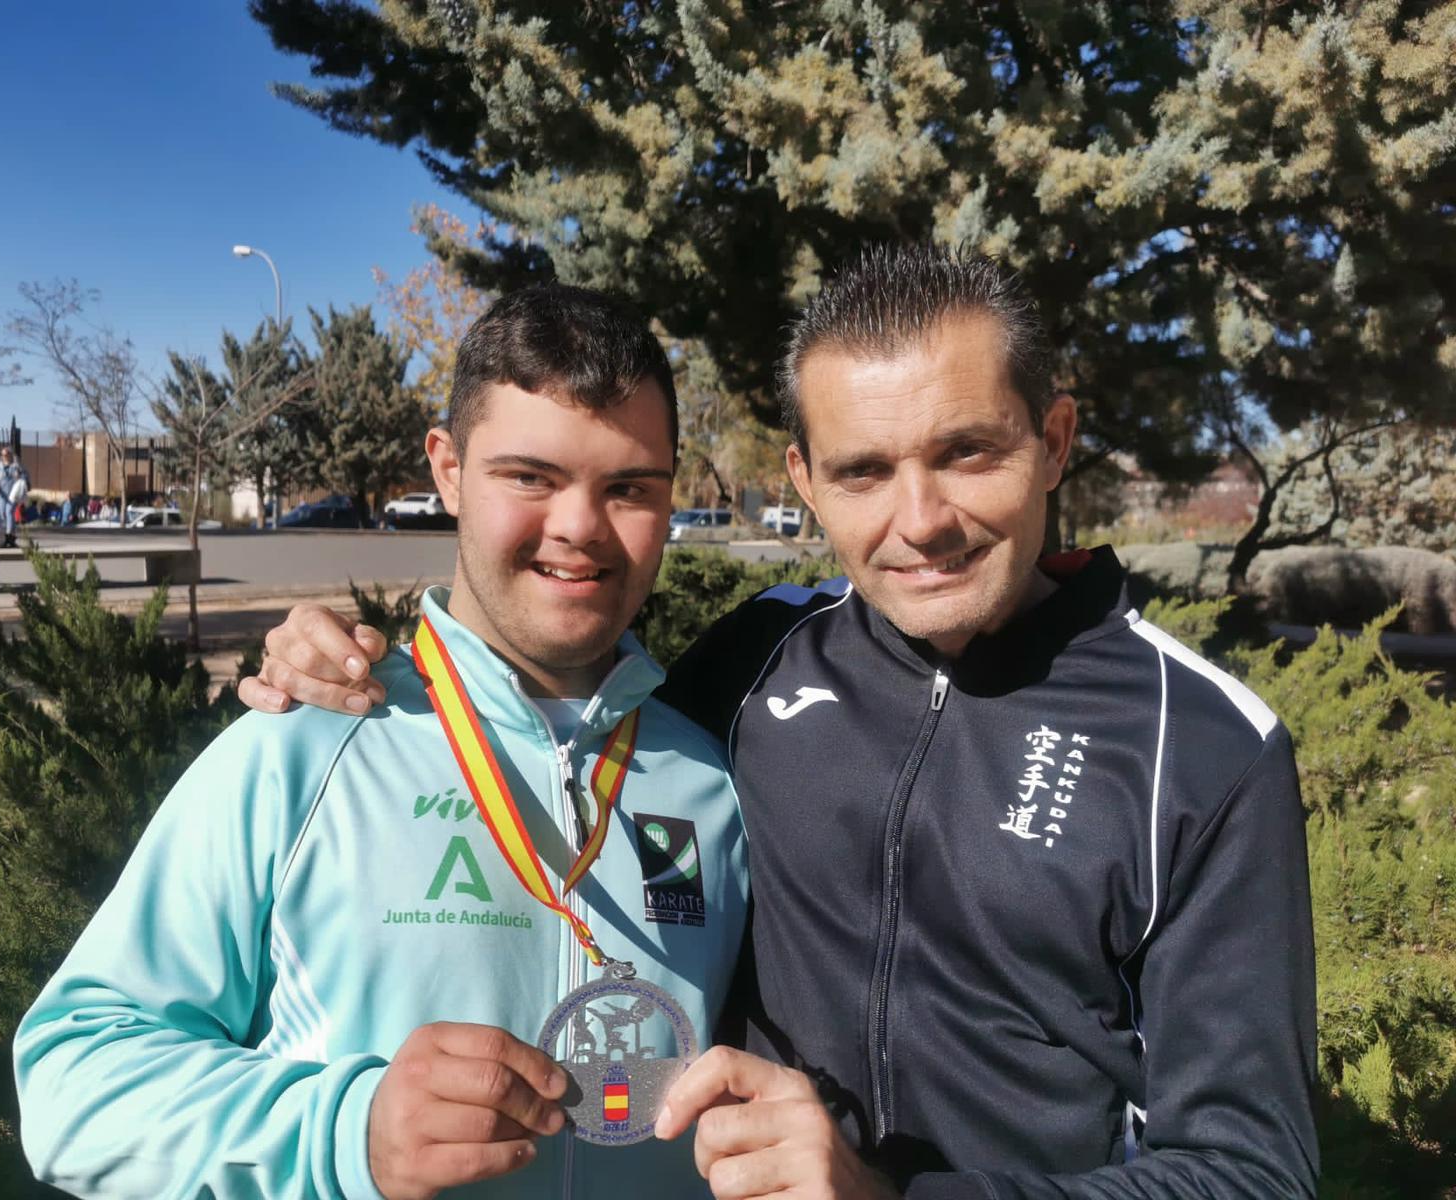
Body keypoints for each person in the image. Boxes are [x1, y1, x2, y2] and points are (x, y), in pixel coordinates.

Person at [248, 245, 1319, 1198]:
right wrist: (361, 664)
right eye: (863, 471)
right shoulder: (758, 656)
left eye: (966, 453)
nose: (920, 521)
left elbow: (1252, 1170)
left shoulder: (1204, 746)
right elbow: (555, 721)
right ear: (804, 480)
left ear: (1053, 441)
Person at [13, 285, 749, 1199]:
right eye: (530, 477)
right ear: (448, 470)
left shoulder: (711, 776)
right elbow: (71, 1080)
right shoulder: (305, 746)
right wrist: (344, 1132)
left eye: (629, 488)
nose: (579, 528)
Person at [0, 445, 29, 547]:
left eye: (6, 454)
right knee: (2, 514)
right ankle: (4, 535)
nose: (4, 456)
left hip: (13, 495)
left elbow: (25, 476)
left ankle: (10, 535)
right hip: (2, 495)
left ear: (10, 455)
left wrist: (21, 477)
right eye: (2, 455)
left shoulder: (16, 466)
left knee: (9, 512)